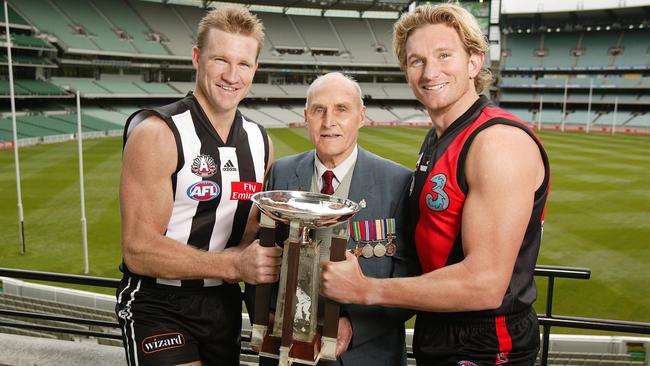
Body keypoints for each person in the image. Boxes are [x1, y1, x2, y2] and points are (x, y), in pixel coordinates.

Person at [320, 4, 550, 366]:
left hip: (487, 338)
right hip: (439, 326)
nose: (430, 72)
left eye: (444, 55)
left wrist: (367, 289)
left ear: (474, 62)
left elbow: (485, 284)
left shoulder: (498, 142)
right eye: (416, 60)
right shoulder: (438, 136)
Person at [115, 5, 282, 366]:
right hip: (158, 303)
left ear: (255, 69)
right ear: (197, 58)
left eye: (243, 64)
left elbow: (250, 234)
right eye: (220, 59)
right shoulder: (157, 133)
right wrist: (234, 267)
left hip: (222, 305)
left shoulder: (260, 141)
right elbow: (139, 249)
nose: (231, 75)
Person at [246, 72, 419, 366]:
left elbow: (411, 273)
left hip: (366, 355)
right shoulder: (281, 174)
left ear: (361, 116)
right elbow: (259, 255)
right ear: (306, 117)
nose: (329, 121)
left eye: (342, 109)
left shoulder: (397, 182)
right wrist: (268, 315)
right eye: (319, 110)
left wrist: (354, 326)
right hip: (286, 353)